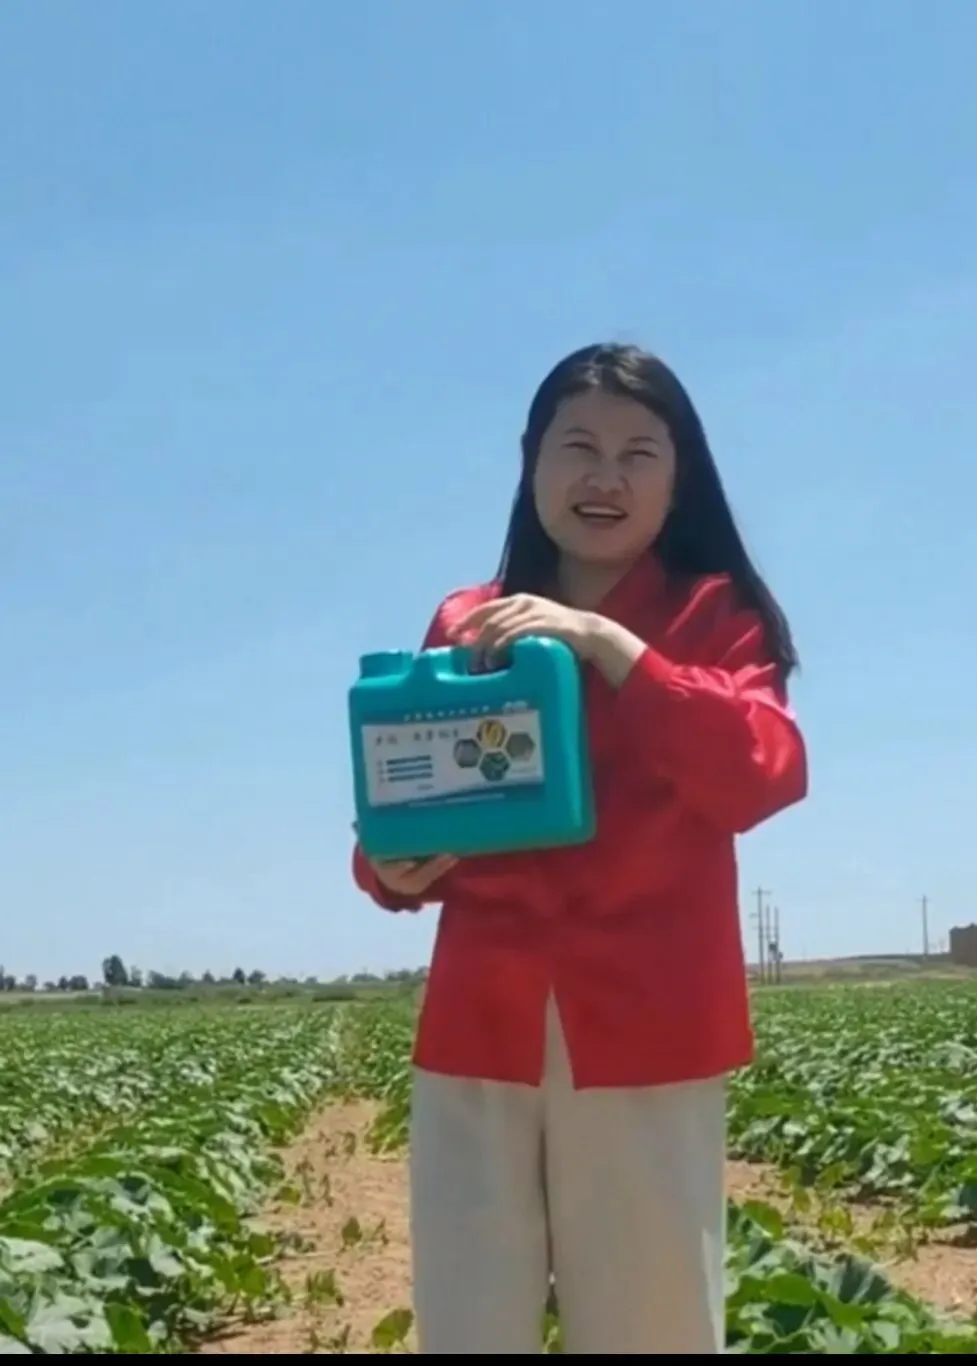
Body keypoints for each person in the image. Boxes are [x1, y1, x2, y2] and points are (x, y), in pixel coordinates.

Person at [351, 342, 808, 1354]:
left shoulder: (713, 615)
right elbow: (401, 794)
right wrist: (385, 867)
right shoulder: (466, 620)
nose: (605, 477)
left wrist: (612, 648)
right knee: (469, 1326)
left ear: (679, 477)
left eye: (639, 453)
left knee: (654, 1327)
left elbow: (762, 771)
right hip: (481, 1024)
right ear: (532, 462)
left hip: (648, 1030)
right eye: (579, 447)